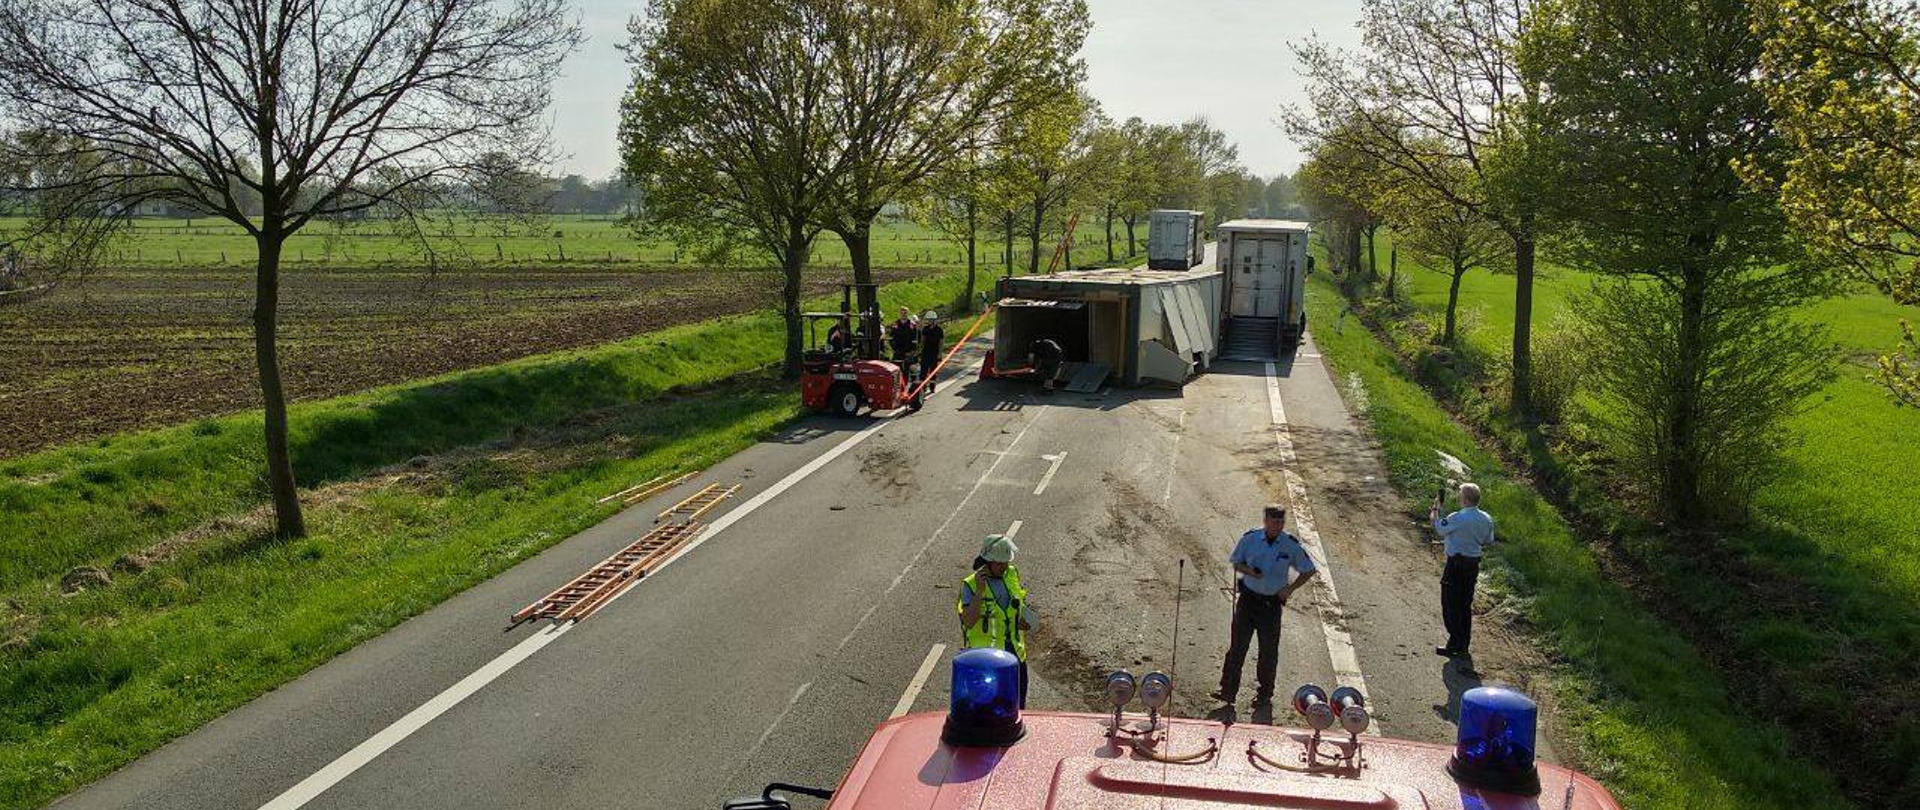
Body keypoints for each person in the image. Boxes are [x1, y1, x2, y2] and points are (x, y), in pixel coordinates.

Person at [1214, 504, 1318, 712]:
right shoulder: (1250, 539)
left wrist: (1290, 589)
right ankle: (1228, 690)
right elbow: (1236, 563)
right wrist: (1251, 571)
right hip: (1248, 601)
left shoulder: (1290, 545)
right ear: (1265, 521)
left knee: (1268, 652)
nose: (1277, 526)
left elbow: (1309, 570)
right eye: (1274, 521)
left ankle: (1264, 695)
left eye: (1281, 522)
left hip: (1271, 605)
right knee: (1237, 647)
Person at [958, 534, 1034, 707]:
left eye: (1006, 562)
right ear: (987, 561)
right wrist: (980, 591)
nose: (1003, 567)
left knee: (1017, 705)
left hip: (1015, 653)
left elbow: (1015, 607)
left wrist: (1021, 621)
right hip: (987, 659)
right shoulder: (970, 585)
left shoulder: (1011, 573)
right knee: (989, 708)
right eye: (999, 563)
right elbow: (969, 621)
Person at [1431, 482, 1495, 664]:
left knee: (1450, 603)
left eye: (1460, 495)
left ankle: (1455, 643)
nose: (1458, 497)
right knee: (1465, 605)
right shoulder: (1487, 519)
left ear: (1466, 499)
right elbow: (1488, 540)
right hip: (1472, 566)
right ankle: (1463, 643)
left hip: (1456, 565)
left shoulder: (1457, 517)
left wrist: (1436, 507)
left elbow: (1438, 527)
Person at [917, 310, 944, 392]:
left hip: (934, 353)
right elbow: (922, 340)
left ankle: (932, 387)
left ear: (934, 320)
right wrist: (920, 351)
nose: (929, 321)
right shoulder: (925, 329)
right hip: (925, 352)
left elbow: (941, 342)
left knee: (933, 371)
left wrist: (939, 353)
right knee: (923, 371)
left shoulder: (939, 330)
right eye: (928, 320)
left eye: (930, 320)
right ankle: (923, 387)